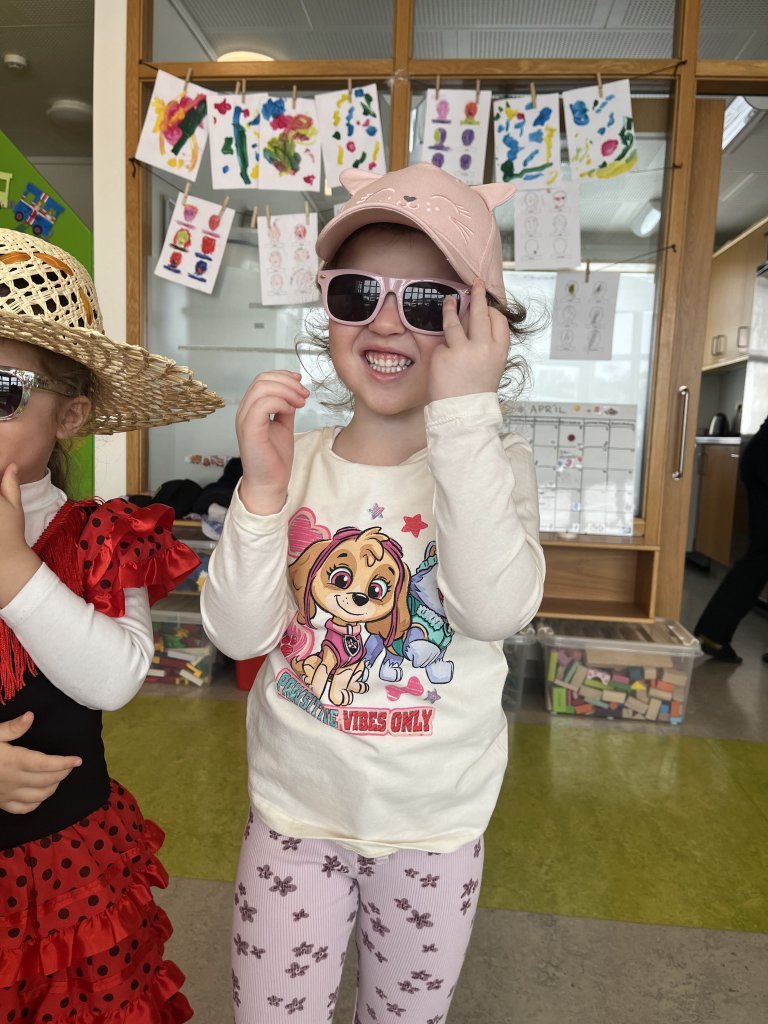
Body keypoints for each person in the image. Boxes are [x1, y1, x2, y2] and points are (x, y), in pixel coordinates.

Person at [201, 163, 546, 1022]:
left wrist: (464, 417)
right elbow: (239, 636)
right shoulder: (297, 464)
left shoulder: (496, 467)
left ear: (484, 326)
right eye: (358, 293)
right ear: (328, 307)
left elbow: (492, 610)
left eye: (428, 302)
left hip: (435, 829)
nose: (387, 321)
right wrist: (261, 493)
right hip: (294, 819)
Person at [0, 229, 222, 1021]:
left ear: (71, 415)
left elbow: (115, 678)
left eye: (1, 391)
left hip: (65, 876)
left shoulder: (102, 535)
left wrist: (14, 568)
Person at [694, 412, 768, 663]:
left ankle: (713, 633)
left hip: (760, 451)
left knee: (761, 555)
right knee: (762, 554)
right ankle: (713, 633)